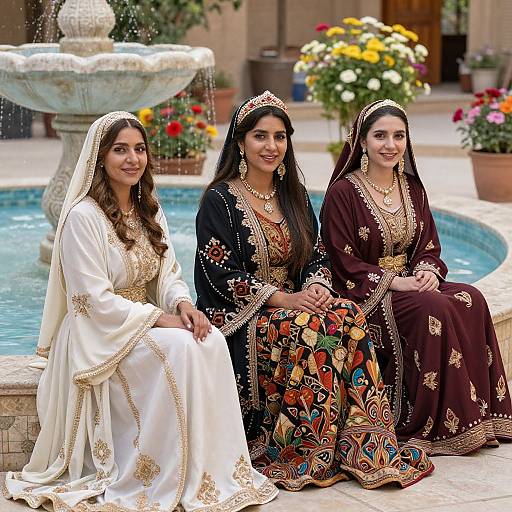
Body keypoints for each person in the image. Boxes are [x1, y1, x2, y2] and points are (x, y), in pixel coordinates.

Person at [3, 111, 278, 511]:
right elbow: (93, 301)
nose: (132, 158)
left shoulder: (148, 209)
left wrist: (182, 304)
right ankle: (167, 474)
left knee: (211, 339)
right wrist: (160, 318)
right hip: (97, 334)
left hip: (138, 324)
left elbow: (168, 274)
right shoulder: (83, 218)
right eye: (120, 150)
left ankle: (209, 470)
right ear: (100, 157)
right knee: (183, 348)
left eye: (139, 149)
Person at [194, 91, 433, 491]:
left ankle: (363, 443)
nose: (271, 147)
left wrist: (319, 286)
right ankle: (303, 447)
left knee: (346, 314)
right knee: (313, 329)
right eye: (260, 136)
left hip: (298, 304)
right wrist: (285, 299)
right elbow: (220, 275)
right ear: (239, 142)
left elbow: (317, 257)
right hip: (244, 318)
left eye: (280, 137)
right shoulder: (219, 200)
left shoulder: (295, 196)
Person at [321, 99, 512, 455]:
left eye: (398, 136)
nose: (390, 145)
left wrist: (426, 270)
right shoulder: (343, 192)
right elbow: (341, 261)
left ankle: (483, 416)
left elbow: (428, 245)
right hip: (366, 293)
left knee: (472, 298)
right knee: (432, 307)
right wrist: (394, 281)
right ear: (362, 141)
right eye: (379, 136)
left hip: (414, 285)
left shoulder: (411, 186)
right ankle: (434, 424)